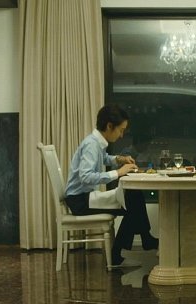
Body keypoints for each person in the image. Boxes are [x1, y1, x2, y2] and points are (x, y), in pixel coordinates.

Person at [64, 104, 158, 268]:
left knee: (133, 196)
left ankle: (142, 240)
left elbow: (104, 158)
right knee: (131, 199)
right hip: (80, 201)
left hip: (83, 197)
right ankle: (132, 247)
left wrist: (119, 159)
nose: (122, 135)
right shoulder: (92, 145)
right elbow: (85, 177)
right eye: (121, 130)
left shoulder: (96, 143)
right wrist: (118, 172)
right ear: (109, 126)